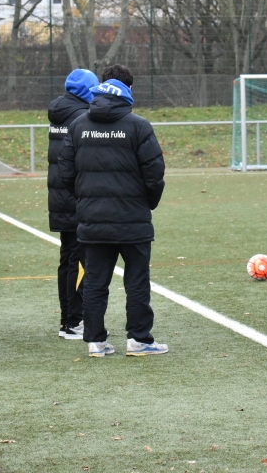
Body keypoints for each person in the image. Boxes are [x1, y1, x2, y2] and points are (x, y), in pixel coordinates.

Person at [58, 64, 167, 358]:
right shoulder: (139, 125)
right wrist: (146, 203)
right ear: (128, 90)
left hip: (92, 220)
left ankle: (95, 341)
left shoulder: (78, 125)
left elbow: (65, 173)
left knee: (95, 282)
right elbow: (155, 174)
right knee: (137, 281)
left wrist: (85, 201)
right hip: (133, 219)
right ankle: (139, 339)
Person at [47, 68, 98, 340]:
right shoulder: (81, 116)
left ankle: (67, 319)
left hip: (60, 197)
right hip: (75, 198)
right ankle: (74, 321)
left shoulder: (60, 113)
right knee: (79, 262)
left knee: (68, 260)